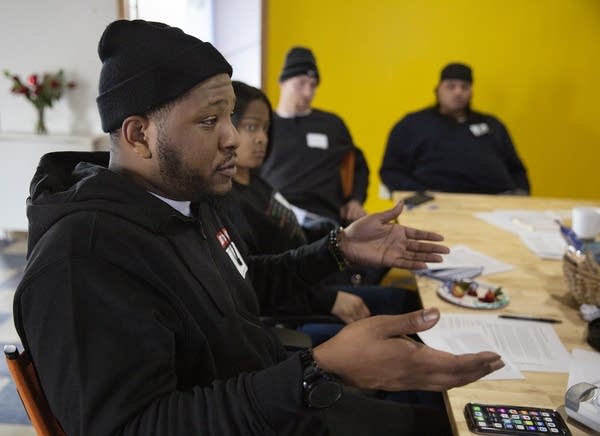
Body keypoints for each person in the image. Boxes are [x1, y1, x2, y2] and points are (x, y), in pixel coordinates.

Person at [13, 20, 504, 435]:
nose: (232, 138)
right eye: (210, 120)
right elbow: (134, 427)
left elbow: (243, 288)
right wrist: (319, 370)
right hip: (270, 409)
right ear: (140, 134)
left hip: (277, 397)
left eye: (230, 115)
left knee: (460, 420)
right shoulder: (85, 259)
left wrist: (338, 250)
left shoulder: (185, 201)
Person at [223, 80, 420, 344]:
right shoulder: (227, 201)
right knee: (403, 338)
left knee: (407, 300)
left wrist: (344, 238)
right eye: (251, 127)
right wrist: (329, 300)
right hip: (294, 313)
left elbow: (290, 232)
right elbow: (256, 285)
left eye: (266, 128)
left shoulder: (257, 182)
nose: (262, 137)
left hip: (313, 282)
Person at [260, 46, 369, 231]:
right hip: (275, 214)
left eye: (313, 85)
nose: (308, 93)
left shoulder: (332, 124)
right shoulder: (266, 124)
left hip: (323, 215)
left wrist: (355, 200)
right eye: (301, 83)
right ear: (283, 82)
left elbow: (357, 163)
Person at [380, 62, 530, 195]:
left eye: (464, 87)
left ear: (471, 92)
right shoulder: (412, 124)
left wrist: (521, 193)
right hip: (435, 205)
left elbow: (516, 168)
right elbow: (390, 171)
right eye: (451, 86)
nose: (458, 92)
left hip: (497, 203)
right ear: (438, 90)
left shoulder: (493, 124)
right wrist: (421, 193)